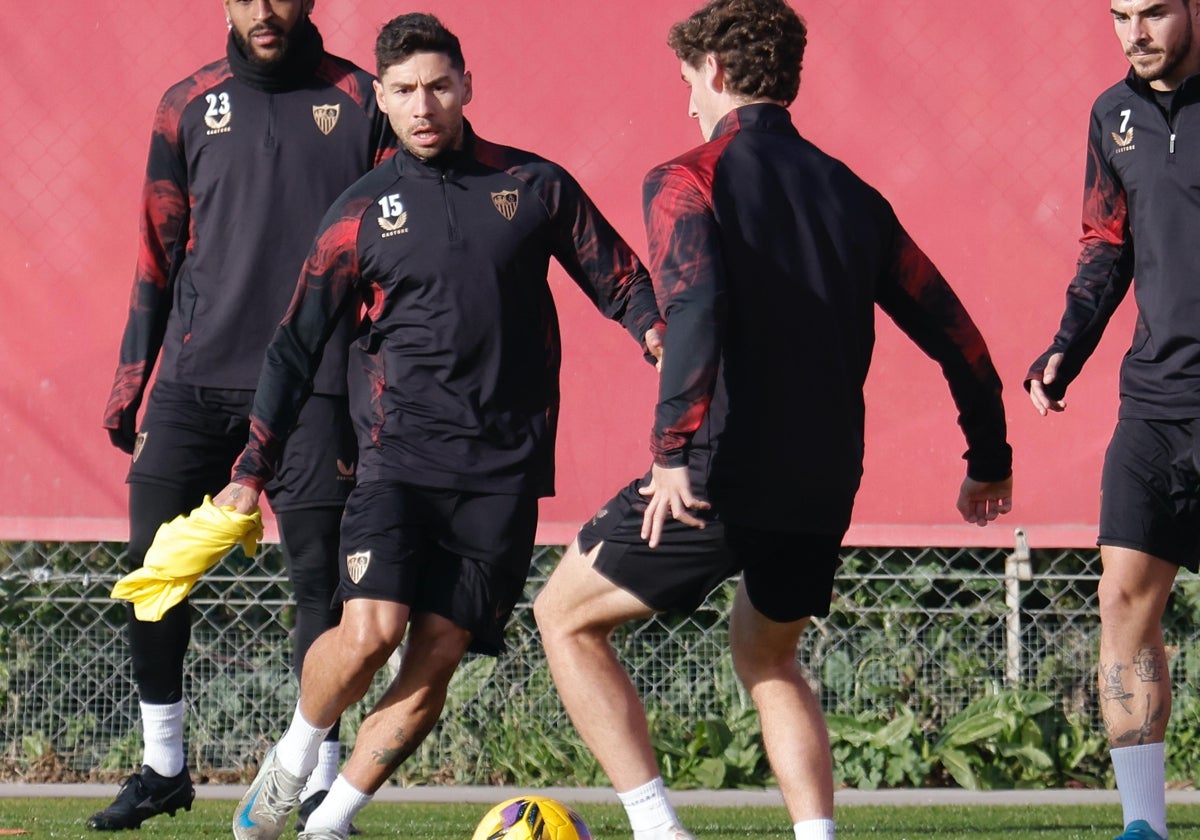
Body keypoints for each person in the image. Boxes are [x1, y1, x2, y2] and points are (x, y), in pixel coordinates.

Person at [532, 1, 1015, 839]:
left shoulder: (685, 177)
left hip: (719, 467)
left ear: (714, 71)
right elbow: (960, 337)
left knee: (561, 617)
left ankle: (658, 829)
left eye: (689, 81)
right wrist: (990, 454)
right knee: (767, 652)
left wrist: (672, 450)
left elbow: (695, 310)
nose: (687, 102)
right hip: (825, 481)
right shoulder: (853, 195)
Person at [214, 12, 664, 840]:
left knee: (432, 662)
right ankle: (292, 760)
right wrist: (251, 469)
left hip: (503, 474)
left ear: (466, 86)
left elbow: (623, 279)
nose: (423, 105)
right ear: (379, 100)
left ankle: (328, 823)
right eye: (404, 91)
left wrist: (655, 334)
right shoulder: (358, 211)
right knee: (370, 631)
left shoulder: (535, 185)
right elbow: (292, 348)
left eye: (438, 86)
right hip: (397, 460)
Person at [95, 0, 394, 831]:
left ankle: (315, 786)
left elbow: (391, 256)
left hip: (315, 385)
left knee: (320, 588)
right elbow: (158, 252)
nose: (264, 10)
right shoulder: (186, 103)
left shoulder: (366, 101)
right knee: (153, 569)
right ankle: (163, 767)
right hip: (196, 379)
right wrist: (133, 376)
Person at [1027, 1, 1200, 837]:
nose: (1135, 31)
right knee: (1122, 597)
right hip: (1155, 406)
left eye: (1155, 11)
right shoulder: (1114, 114)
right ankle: (1145, 827)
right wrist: (1068, 347)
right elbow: (1107, 244)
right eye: (1119, 14)